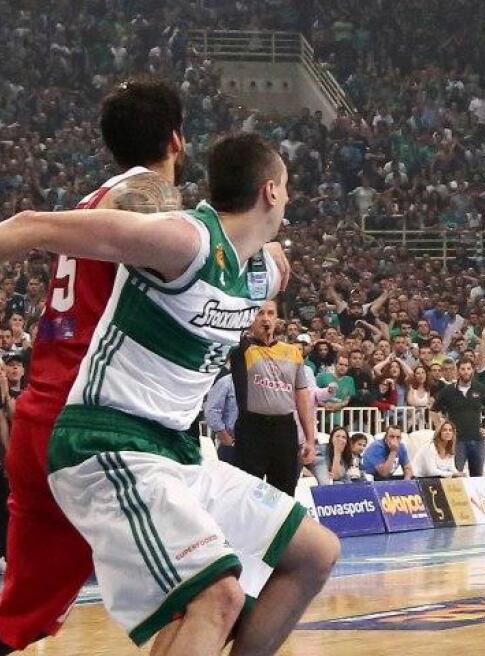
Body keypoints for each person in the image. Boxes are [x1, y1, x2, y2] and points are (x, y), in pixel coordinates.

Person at [0, 133, 339, 653]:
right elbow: (30, 226)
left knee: (315, 553)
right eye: (287, 188)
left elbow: (271, 266)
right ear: (272, 192)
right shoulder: (185, 242)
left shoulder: (264, 268)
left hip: (175, 450)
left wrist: (271, 257)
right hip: (107, 440)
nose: (289, 200)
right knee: (217, 598)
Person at [0, 79, 196, 654]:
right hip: (95, 426)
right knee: (207, 592)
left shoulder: (94, 203)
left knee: (17, 620)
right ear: (178, 140)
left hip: (42, 415)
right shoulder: (149, 197)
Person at [231, 301, 317, 496]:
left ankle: (277, 526)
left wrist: (310, 440)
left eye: (270, 313)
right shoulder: (241, 349)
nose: (266, 318)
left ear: (277, 318)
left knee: (283, 493)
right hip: (252, 428)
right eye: (260, 313)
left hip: (284, 429)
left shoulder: (292, 352)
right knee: (247, 492)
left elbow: (302, 398)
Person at [432, 359, 485, 477]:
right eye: (463, 369)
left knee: (478, 477)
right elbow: (433, 410)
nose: (466, 372)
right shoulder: (449, 390)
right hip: (457, 441)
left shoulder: (479, 388)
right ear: (457, 371)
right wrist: (441, 429)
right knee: (456, 475)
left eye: (468, 369)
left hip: (477, 440)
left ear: (473, 370)